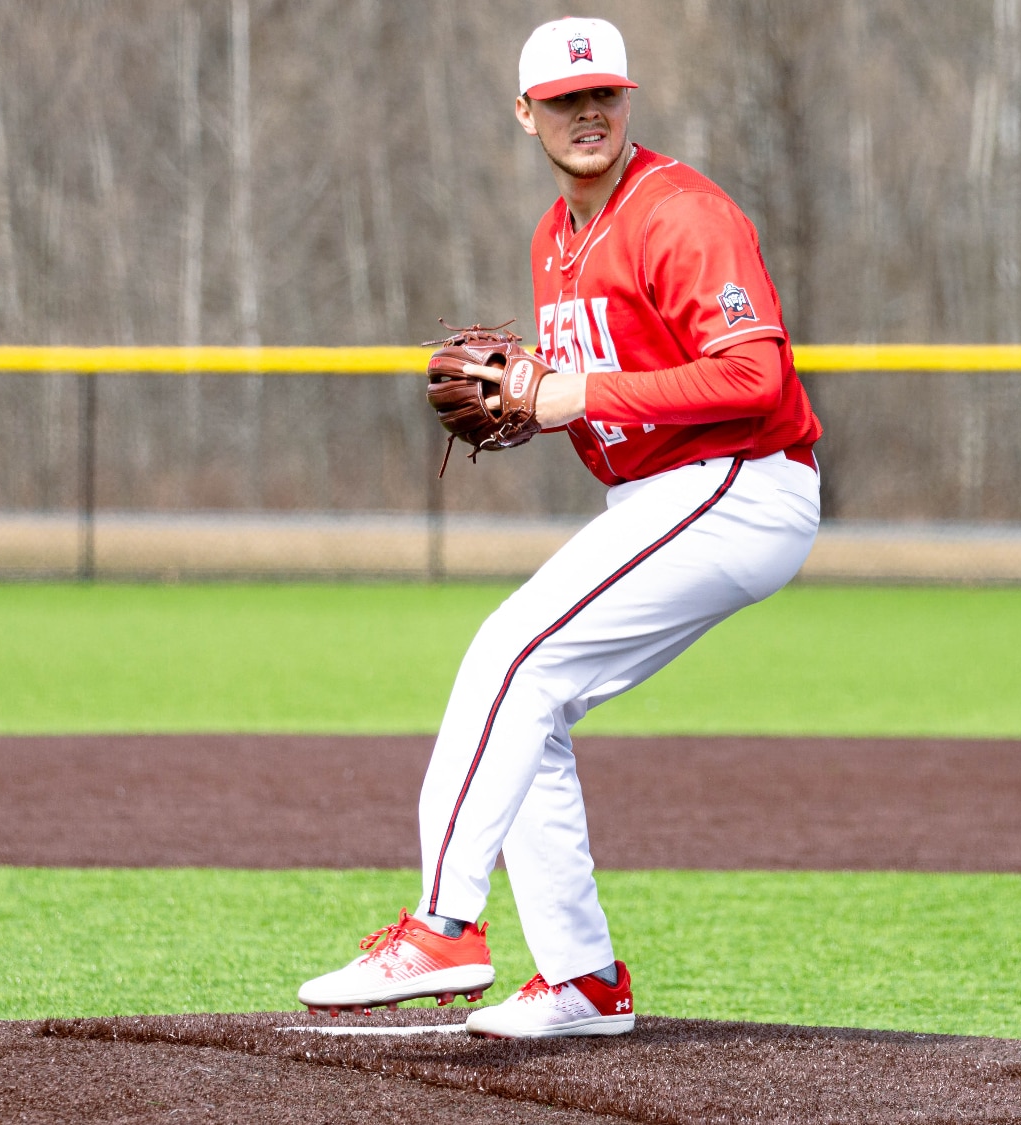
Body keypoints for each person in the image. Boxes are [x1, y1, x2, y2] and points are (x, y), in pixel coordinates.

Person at [297, 16, 822, 1040]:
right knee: (530, 704)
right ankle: (583, 980)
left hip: (740, 481)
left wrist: (578, 393)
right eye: (564, 100)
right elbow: (597, 396)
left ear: (627, 101)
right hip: (662, 495)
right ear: (524, 112)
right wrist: (536, 402)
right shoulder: (553, 240)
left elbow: (756, 375)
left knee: (507, 653)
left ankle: (443, 926)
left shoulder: (680, 213)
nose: (588, 114)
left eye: (603, 96)